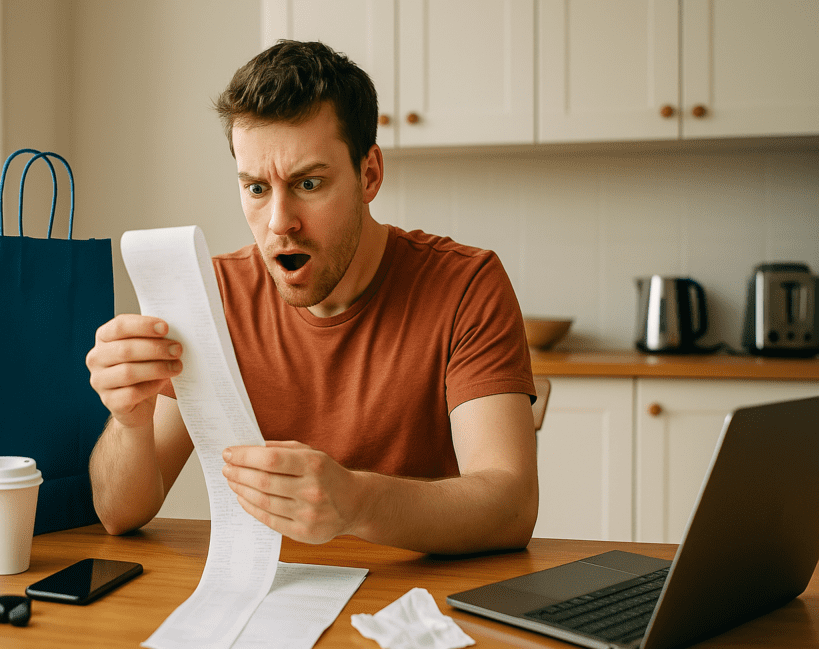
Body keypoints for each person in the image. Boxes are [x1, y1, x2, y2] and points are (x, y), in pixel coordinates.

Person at [85, 40, 537, 555]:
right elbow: (119, 514)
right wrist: (130, 420)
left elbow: (511, 506)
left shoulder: (466, 286)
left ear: (369, 175)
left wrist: (359, 501)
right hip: (267, 601)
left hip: (415, 608)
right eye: (256, 188)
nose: (280, 223)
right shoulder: (214, 297)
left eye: (310, 183)